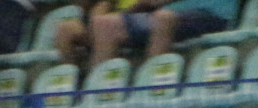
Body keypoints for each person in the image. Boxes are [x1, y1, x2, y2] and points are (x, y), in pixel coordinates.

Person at [84, 0, 236, 67]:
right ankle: (94, 94)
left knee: (164, 18)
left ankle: (150, 84)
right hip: (166, 13)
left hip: (211, 14)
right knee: (103, 23)